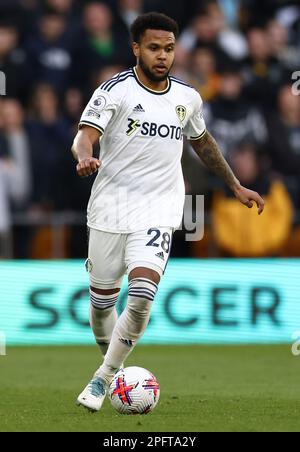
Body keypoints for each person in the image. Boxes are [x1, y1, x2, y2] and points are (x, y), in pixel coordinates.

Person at [71, 12, 265, 412]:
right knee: (102, 303)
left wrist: (235, 185)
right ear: (136, 48)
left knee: (141, 294)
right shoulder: (114, 91)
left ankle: (103, 379)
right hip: (110, 207)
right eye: (155, 48)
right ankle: (114, 362)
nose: (163, 56)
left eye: (170, 49)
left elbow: (203, 141)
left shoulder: (187, 97)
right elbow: (83, 137)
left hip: (159, 208)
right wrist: (85, 156)